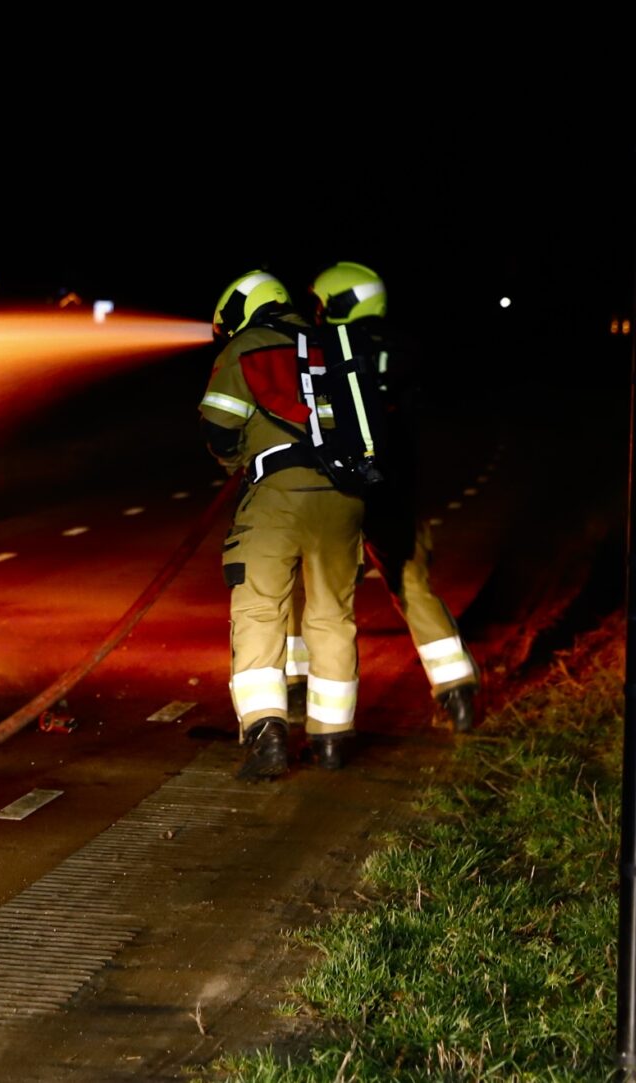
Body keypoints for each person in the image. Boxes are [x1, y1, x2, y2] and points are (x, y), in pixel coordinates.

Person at [201, 270, 367, 779]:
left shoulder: (246, 347)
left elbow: (219, 425)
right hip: (343, 496)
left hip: (276, 495)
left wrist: (239, 467)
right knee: (332, 616)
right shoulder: (332, 344)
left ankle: (267, 733)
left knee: (259, 612)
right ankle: (332, 739)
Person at [311, 261, 480, 731]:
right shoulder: (407, 348)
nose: (319, 313)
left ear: (341, 303)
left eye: (323, 303)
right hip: (397, 492)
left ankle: (316, 718)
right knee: (413, 588)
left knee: (326, 601)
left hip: (344, 491)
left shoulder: (330, 350)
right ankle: (458, 692)